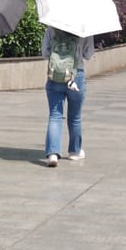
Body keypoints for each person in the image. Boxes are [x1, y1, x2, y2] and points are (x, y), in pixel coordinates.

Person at [41, 27, 95, 167]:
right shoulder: (85, 28)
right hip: (76, 75)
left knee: (55, 115)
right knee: (75, 117)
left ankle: (53, 154)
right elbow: (88, 54)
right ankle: (74, 152)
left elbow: (45, 53)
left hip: (55, 75)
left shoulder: (52, 28)